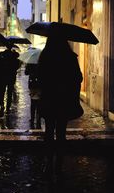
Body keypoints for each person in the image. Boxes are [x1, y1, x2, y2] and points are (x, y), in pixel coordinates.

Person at [38, 36, 83, 179]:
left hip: (49, 99)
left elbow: (40, 76)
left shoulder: (45, 56)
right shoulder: (70, 57)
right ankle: (59, 166)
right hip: (64, 100)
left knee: (49, 132)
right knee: (61, 133)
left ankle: (49, 164)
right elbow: (78, 77)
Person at [0, 44, 21, 116]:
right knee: (9, 92)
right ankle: (8, 108)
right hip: (11, 76)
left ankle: (2, 105)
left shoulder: (2, 55)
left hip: (3, 76)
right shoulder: (14, 56)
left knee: (2, 92)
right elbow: (17, 65)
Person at [25, 63, 41, 129]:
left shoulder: (30, 63)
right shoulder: (42, 62)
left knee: (33, 102)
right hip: (40, 84)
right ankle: (38, 119)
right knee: (39, 103)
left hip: (32, 84)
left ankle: (32, 118)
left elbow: (26, 72)